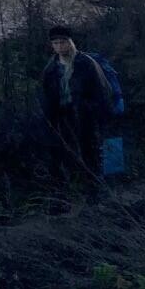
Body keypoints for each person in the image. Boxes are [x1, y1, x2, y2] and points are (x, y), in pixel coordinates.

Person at [40, 24, 114, 184]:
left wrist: (97, 114)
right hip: (62, 117)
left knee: (90, 150)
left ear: (70, 42)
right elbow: (47, 97)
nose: (59, 46)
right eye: (56, 43)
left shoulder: (85, 63)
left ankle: (95, 187)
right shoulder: (51, 69)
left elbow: (100, 91)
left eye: (62, 42)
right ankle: (69, 187)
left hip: (84, 114)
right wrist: (49, 122)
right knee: (63, 152)